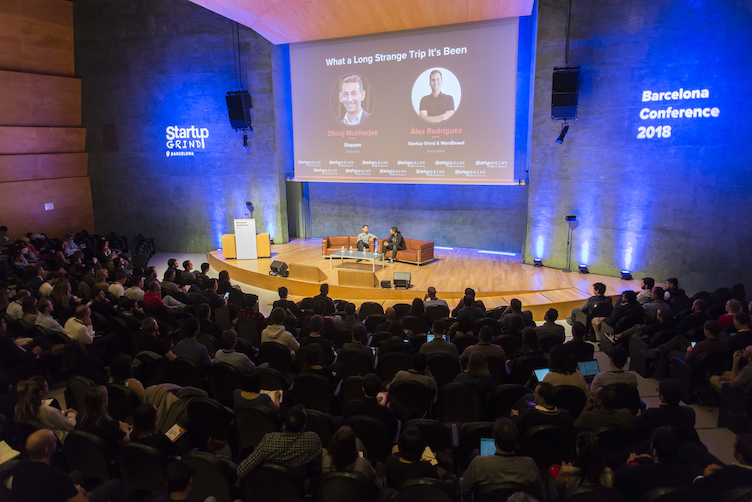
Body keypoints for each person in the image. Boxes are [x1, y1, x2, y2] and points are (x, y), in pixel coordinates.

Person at [12, 428, 126, 502]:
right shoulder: (55, 475)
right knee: (115, 483)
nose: (56, 442)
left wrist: (72, 490)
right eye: (54, 441)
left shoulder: (21, 465)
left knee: (77, 474)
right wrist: (78, 492)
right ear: (47, 450)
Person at [460, 418, 545, 498]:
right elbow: (541, 494)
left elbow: (464, 491)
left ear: (495, 443)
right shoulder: (529, 464)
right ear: (516, 443)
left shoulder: (478, 463)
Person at [236, 404, 322, 479]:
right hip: (296, 488)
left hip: (268, 486)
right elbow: (316, 467)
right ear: (304, 425)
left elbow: (241, 471)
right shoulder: (313, 439)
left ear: (285, 424)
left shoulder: (269, 440)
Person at [614, 428, 696, 499]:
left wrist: (628, 463)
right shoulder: (685, 474)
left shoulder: (639, 472)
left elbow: (617, 479)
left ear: (654, 451)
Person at [15, 376, 77, 442]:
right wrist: (72, 414)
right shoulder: (47, 410)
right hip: (59, 440)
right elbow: (71, 426)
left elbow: (48, 419)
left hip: (42, 439)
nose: (48, 387)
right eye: (46, 386)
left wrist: (63, 412)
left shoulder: (21, 407)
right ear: (41, 392)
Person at [76, 385, 130, 457]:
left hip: (92, 455)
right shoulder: (106, 423)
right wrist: (125, 429)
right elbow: (127, 440)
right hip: (109, 456)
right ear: (104, 401)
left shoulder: (81, 416)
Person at [342, 373, 398, 439]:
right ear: (379, 389)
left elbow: (344, 421)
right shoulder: (387, 412)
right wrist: (388, 410)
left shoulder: (350, 405)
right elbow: (393, 430)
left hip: (353, 443)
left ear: (363, 389)